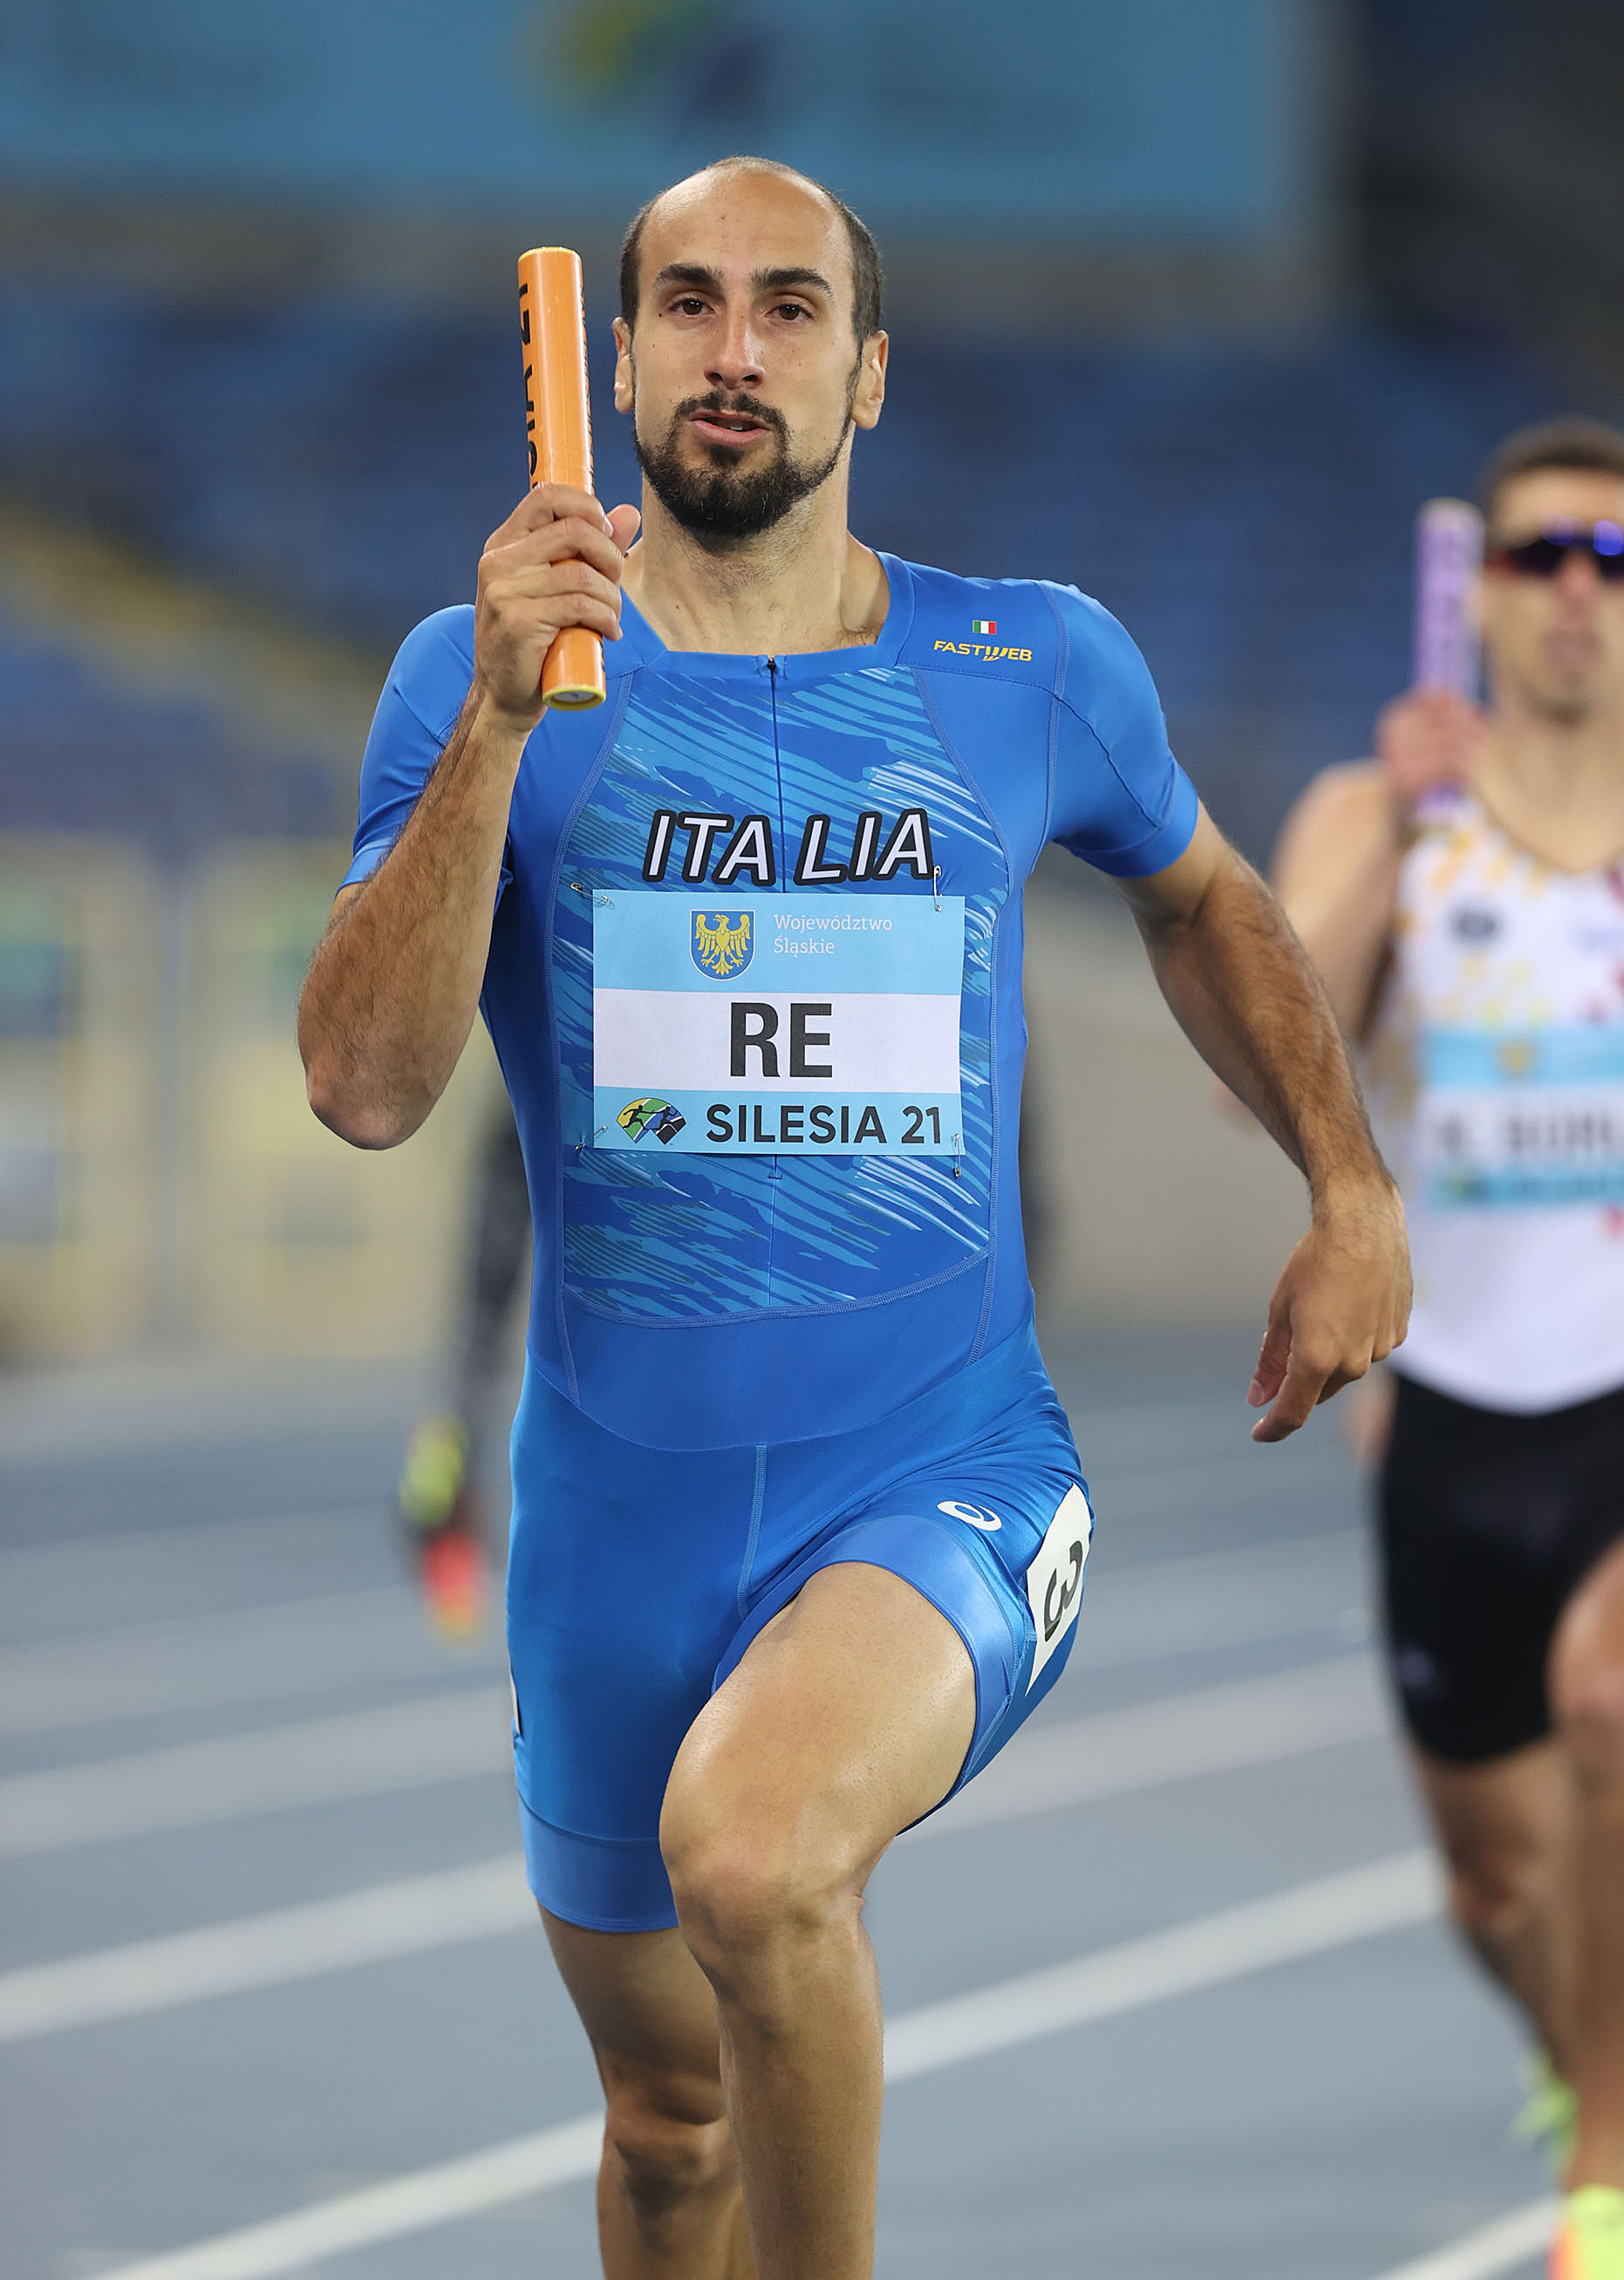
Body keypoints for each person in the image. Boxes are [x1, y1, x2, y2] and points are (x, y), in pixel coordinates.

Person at [297, 155, 1408, 2280]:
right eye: (690, 304)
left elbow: (1203, 895)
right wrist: (502, 725)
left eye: (790, 308)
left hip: (943, 1465)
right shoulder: (474, 676)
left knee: (757, 1855)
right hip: (614, 1509)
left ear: (866, 371)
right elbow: (362, 1085)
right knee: (668, 2121)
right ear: (618, 358)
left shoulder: (1032, 665)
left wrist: (1348, 1181)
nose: (737, 351)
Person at [1273, 418, 1624, 2280]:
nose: (1576, 591)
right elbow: (1274, 1057)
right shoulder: (1378, 805)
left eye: (1611, 559)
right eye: (1537, 555)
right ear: (1474, 590)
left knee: (1610, 1703)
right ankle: (1584, 2072)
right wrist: (1399, 852)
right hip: (1453, 1418)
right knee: (1499, 1881)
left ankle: (1605, 2188)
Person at [395, 1097, 529, 1636]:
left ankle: (441, 1489)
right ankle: (442, 1496)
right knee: (482, 1324)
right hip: (569, 1113)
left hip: (533, 1108)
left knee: (480, 1326)